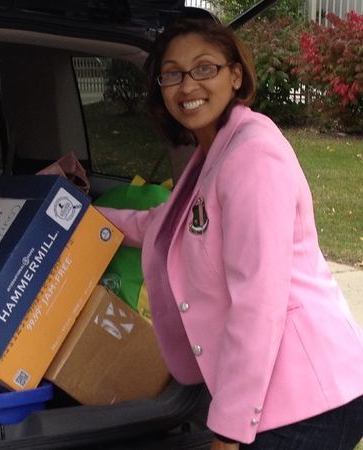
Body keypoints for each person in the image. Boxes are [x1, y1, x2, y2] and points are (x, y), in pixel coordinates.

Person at [95, 18, 363, 449]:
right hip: (277, 396)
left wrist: (228, 429)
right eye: (172, 74)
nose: (188, 85)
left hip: (307, 400)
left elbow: (259, 300)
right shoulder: (217, 149)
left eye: (205, 68)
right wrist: (83, 219)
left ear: (236, 75)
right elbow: (168, 224)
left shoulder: (253, 155)